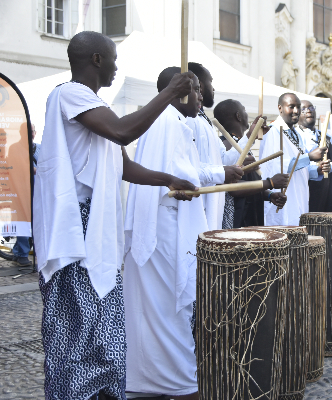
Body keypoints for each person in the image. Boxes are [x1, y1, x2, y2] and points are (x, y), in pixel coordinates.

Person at [33, 31, 198, 400]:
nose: (116, 66)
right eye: (112, 59)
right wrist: (170, 93)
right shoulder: (70, 94)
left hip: (99, 229)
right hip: (76, 231)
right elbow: (124, 133)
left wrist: (167, 179)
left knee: (106, 332)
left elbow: (123, 165)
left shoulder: (94, 107)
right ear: (95, 59)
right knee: (78, 332)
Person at [122, 67, 216, 400]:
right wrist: (187, 183)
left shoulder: (177, 123)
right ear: (179, 91)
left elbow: (180, 175)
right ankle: (179, 384)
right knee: (168, 312)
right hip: (163, 231)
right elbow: (173, 178)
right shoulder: (165, 122)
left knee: (161, 313)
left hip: (170, 226)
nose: (202, 96)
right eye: (197, 90)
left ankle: (148, 380)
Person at [185, 62, 251, 231]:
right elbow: (190, 169)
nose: (213, 88)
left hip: (213, 206)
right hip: (198, 204)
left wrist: (249, 137)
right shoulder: (189, 120)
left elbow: (222, 160)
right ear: (199, 84)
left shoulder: (203, 120)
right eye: (210, 82)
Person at [212, 99, 289, 228]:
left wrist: (269, 195)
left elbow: (250, 186)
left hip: (251, 217)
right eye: (244, 110)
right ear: (238, 115)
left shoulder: (241, 144)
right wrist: (270, 183)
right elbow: (233, 188)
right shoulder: (227, 145)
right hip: (238, 222)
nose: (247, 114)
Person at [259, 93, 326, 225]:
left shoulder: (298, 134)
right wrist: (310, 157)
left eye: (298, 107)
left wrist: (317, 169)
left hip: (299, 196)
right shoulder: (273, 131)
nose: (296, 111)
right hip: (282, 200)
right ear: (280, 108)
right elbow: (278, 167)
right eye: (291, 106)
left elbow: (301, 169)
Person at [298, 100, 332, 212]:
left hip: (326, 194)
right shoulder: (296, 138)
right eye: (304, 109)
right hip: (306, 195)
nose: (309, 111)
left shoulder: (328, 138)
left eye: (311, 108)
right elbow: (299, 166)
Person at [12, 123, 39, 267]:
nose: (31, 133)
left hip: (38, 191)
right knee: (23, 222)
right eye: (28, 131)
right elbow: (14, 167)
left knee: (37, 222)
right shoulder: (14, 148)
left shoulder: (40, 148)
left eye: (33, 131)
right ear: (21, 132)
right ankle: (22, 253)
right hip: (21, 190)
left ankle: (18, 251)